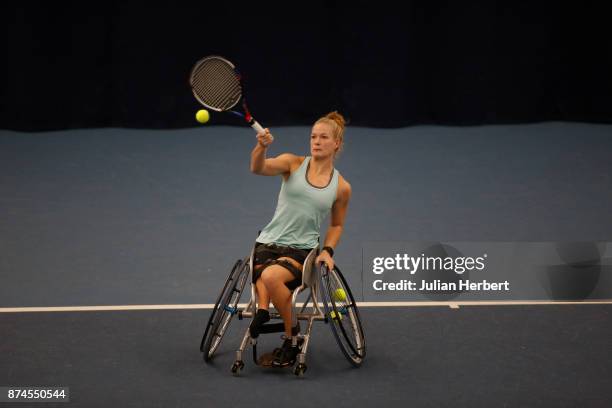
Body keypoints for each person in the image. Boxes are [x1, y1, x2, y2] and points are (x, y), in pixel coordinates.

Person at [248, 111, 352, 367]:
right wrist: (260, 148)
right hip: (269, 241)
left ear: (336, 143)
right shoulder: (292, 163)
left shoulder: (341, 187)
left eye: (323, 137)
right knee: (263, 272)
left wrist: (328, 250)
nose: (316, 141)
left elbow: (337, 225)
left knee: (270, 276)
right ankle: (262, 310)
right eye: (313, 136)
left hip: (302, 250)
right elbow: (258, 168)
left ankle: (291, 333)